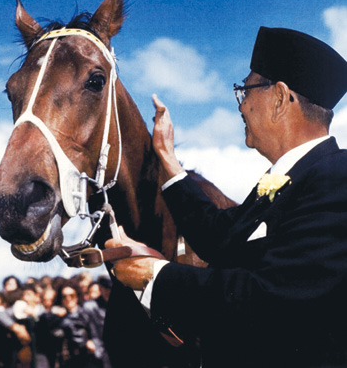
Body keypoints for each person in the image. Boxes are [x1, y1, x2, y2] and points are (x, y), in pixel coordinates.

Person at [106, 27, 347, 367]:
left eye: (245, 91)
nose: (242, 105)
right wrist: (168, 159)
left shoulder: (337, 179)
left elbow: (273, 298)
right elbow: (220, 237)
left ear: (279, 98)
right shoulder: (288, 180)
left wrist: (156, 276)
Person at [83, 276, 113, 368]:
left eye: (111, 288)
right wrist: (86, 341)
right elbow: (78, 326)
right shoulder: (90, 307)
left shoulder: (121, 305)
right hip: (98, 354)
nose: (108, 291)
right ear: (101, 289)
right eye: (106, 288)